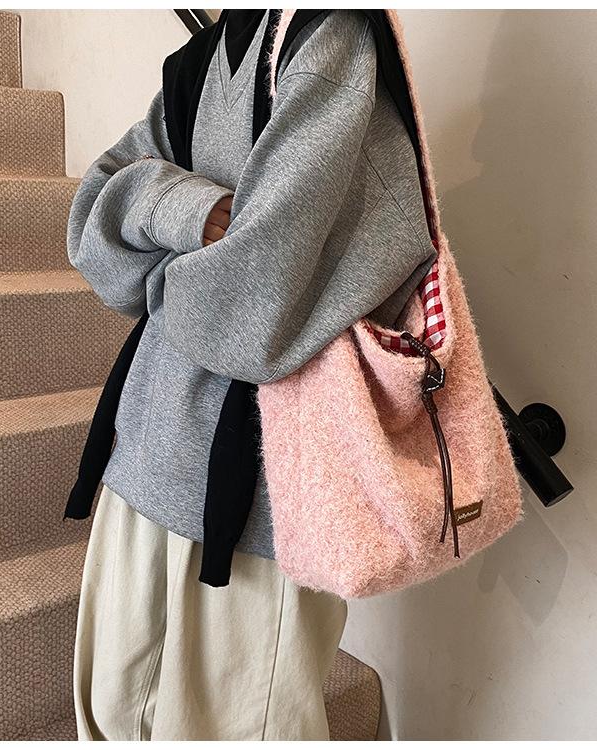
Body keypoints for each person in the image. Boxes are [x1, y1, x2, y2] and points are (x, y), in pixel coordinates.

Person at [68, 8, 437, 741]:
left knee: (231, 727)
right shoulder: (199, 61)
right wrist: (188, 208)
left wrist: (154, 272)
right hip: (143, 456)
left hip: (262, 496)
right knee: (114, 714)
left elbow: (254, 306)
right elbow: (89, 224)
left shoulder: (329, 42)